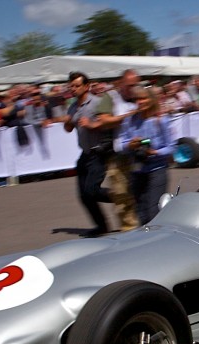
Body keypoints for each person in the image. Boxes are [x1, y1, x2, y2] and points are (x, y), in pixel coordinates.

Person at [63, 71, 113, 237]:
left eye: (77, 86)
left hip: (99, 152)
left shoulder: (97, 103)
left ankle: (123, 197)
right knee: (84, 196)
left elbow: (108, 124)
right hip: (85, 153)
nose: (73, 89)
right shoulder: (72, 106)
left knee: (91, 190)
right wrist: (68, 122)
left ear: (86, 86)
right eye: (71, 86)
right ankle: (101, 226)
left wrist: (92, 124)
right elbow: (68, 129)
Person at [90, 69, 141, 231]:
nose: (132, 89)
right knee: (121, 193)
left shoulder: (140, 96)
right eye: (129, 85)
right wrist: (127, 117)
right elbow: (104, 120)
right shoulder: (111, 97)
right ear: (121, 83)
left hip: (140, 153)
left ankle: (144, 225)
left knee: (140, 191)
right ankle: (129, 229)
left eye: (135, 85)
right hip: (118, 154)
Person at [117, 86, 175, 225]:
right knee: (140, 212)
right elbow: (121, 145)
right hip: (137, 169)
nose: (140, 102)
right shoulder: (129, 120)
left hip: (157, 168)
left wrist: (154, 152)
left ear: (152, 100)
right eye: (137, 99)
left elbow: (171, 147)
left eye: (143, 98)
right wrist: (130, 145)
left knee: (153, 211)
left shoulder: (161, 120)